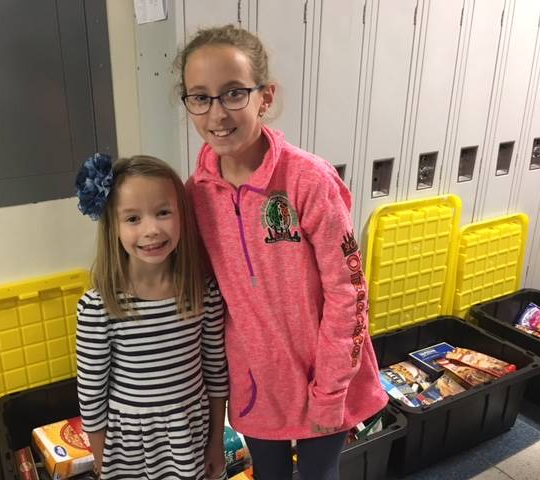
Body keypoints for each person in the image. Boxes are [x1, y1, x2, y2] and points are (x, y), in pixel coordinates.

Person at [177, 25, 388, 479]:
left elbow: (348, 292)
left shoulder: (308, 180)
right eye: (200, 97)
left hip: (325, 377)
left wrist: (330, 389)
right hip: (257, 385)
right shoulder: (196, 194)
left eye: (234, 93)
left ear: (264, 97)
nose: (217, 113)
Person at [74, 154, 229, 480]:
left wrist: (216, 443)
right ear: (113, 227)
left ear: (182, 216)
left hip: (190, 437)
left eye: (163, 213)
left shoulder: (204, 292)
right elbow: (91, 396)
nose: (152, 229)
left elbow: (215, 372)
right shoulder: (99, 307)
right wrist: (101, 458)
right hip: (129, 448)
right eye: (133, 219)